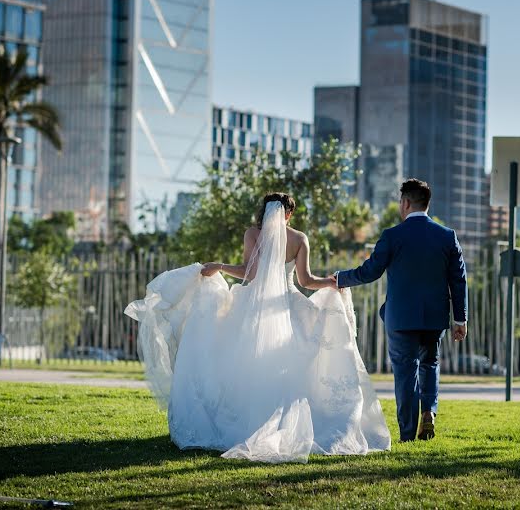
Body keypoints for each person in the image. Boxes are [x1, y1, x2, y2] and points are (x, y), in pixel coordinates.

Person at [125, 192, 391, 463]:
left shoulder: (253, 233)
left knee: (239, 362)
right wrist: (332, 282)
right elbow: (306, 281)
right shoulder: (299, 239)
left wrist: (220, 266)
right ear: (289, 214)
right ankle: (289, 419)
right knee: (294, 365)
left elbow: (249, 273)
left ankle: (248, 420)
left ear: (265, 212)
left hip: (253, 304)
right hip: (288, 304)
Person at [335, 179, 468, 443]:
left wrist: (340, 278)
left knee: (406, 372)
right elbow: (459, 279)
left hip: (400, 317)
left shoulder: (392, 236)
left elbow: (369, 272)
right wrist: (460, 319)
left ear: (406, 203)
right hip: (434, 317)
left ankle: (407, 434)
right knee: (430, 363)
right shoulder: (447, 236)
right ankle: (429, 411)